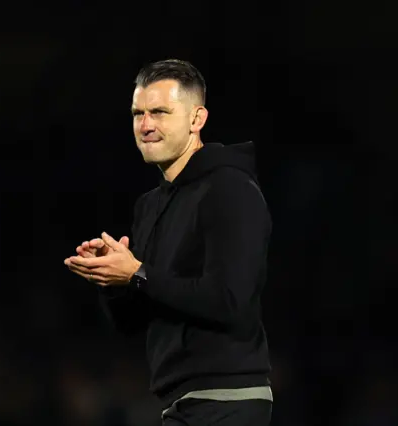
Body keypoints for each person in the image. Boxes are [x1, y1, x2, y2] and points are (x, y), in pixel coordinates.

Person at [64, 59, 273, 425]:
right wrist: (112, 280)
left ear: (197, 119)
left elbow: (230, 300)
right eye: (138, 114)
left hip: (226, 400)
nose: (145, 126)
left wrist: (138, 273)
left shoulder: (229, 188)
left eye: (159, 112)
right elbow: (134, 321)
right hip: (180, 402)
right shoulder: (150, 205)